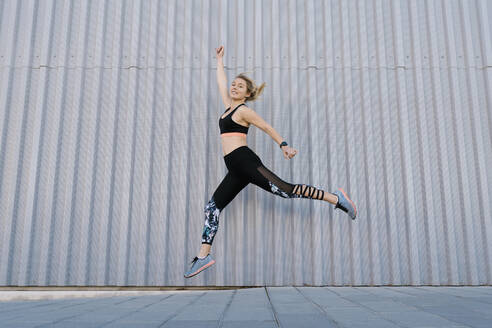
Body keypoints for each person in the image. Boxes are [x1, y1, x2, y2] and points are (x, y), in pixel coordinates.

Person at [184, 45, 357, 278]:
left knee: (285, 191)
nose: (234, 87)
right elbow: (220, 81)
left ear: (247, 94)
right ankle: (204, 256)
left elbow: (266, 126)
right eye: (233, 84)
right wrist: (219, 60)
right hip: (234, 169)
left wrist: (283, 145)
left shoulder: (244, 111)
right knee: (212, 207)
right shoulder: (228, 107)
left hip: (245, 162)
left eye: (240, 86)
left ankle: (337, 199)